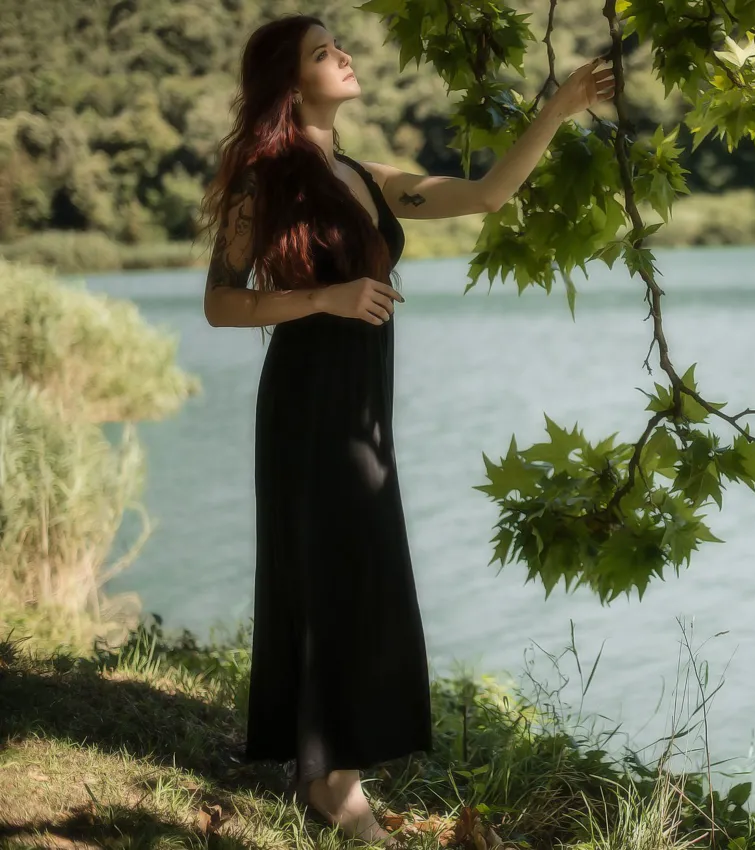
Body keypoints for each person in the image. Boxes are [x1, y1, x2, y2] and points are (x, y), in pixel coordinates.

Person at [197, 13, 614, 846]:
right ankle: (330, 784)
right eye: (322, 52)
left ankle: (329, 771)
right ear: (290, 80)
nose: (343, 55)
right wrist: (327, 296)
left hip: (361, 407)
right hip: (309, 406)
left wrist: (554, 113)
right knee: (341, 572)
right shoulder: (263, 176)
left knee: (366, 572)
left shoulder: (360, 172)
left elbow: (485, 194)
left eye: (337, 44)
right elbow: (219, 302)